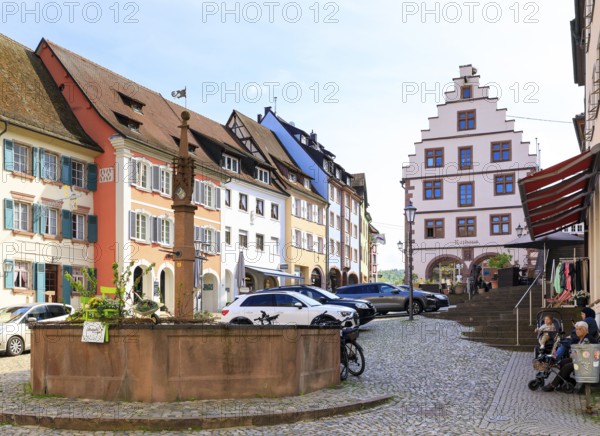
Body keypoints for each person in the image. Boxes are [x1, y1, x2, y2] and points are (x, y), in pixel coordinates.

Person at [542, 321, 598, 392]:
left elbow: (585, 354)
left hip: (588, 363)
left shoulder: (587, 339)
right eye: (576, 329)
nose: (577, 331)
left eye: (579, 329)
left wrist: (574, 355)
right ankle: (564, 382)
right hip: (583, 360)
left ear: (585, 330)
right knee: (563, 362)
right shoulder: (582, 338)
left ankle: (553, 385)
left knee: (567, 366)